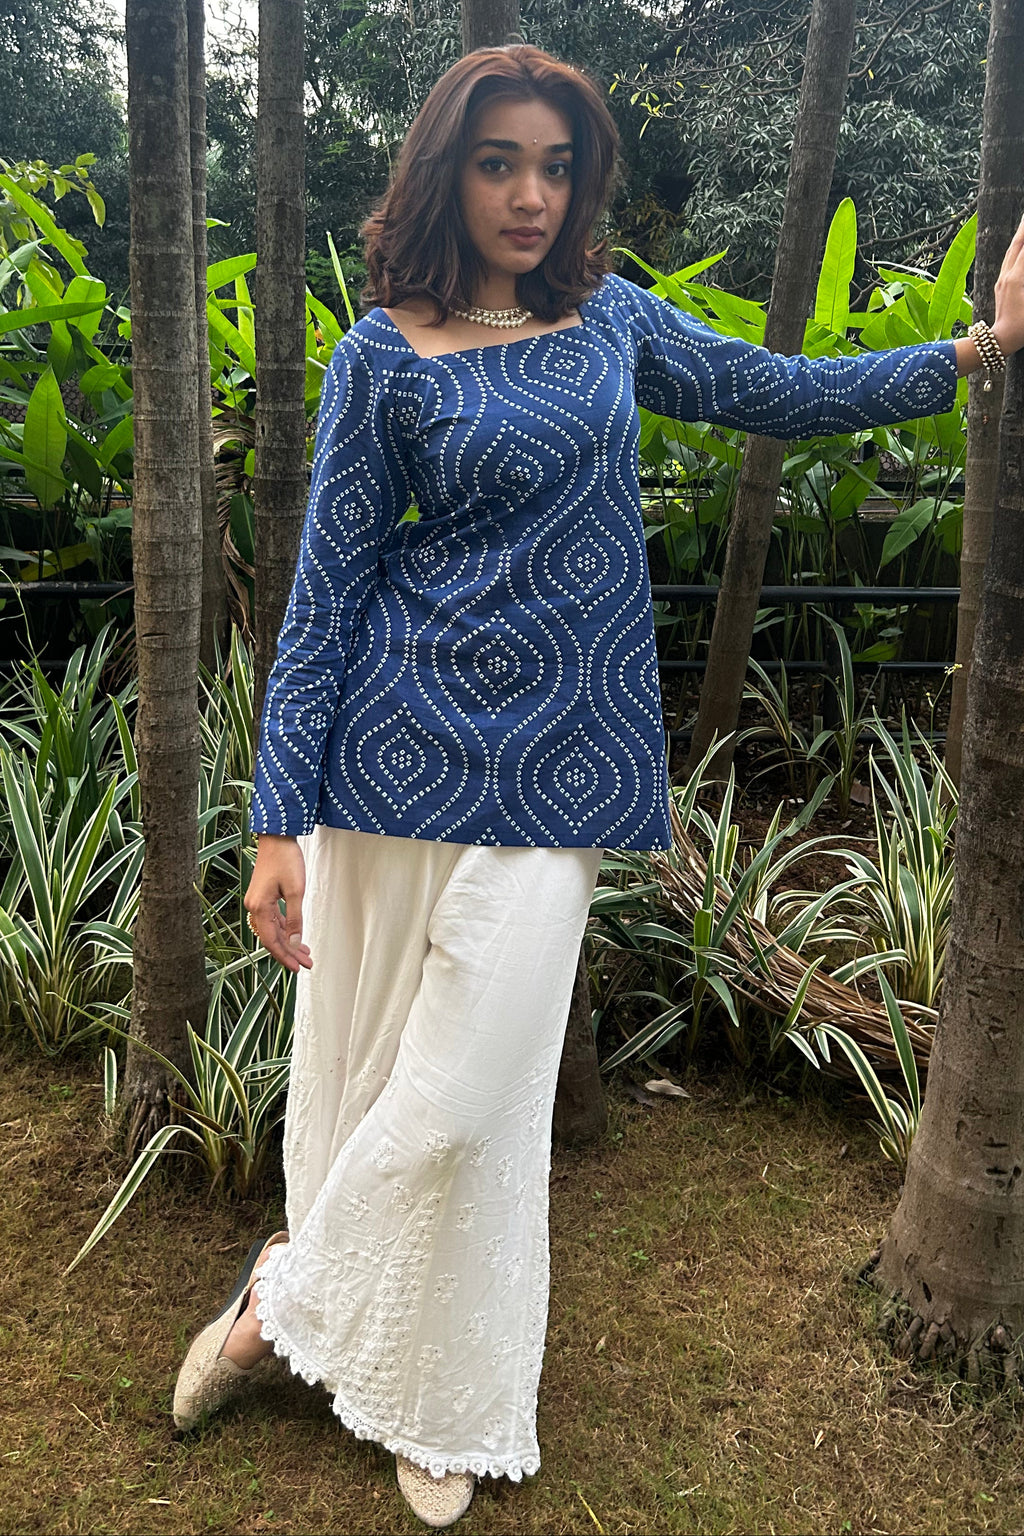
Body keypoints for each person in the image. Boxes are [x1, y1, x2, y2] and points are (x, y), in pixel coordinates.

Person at [172, 42, 1024, 1530]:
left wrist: (977, 351)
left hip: (566, 775)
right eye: (500, 162)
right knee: (383, 1083)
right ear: (447, 171)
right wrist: (273, 822)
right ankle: (426, 1398)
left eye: (556, 167)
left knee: (458, 1104)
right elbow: (324, 599)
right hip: (392, 764)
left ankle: (277, 1298)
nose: (531, 194)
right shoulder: (383, 354)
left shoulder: (611, 321)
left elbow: (782, 390)